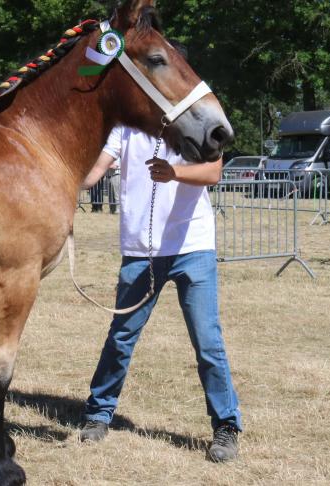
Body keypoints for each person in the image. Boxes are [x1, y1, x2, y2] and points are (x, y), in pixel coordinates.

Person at [78, 124, 242, 463]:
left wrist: (174, 173)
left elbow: (214, 172)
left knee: (207, 342)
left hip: (193, 247)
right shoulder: (125, 126)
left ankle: (226, 426)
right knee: (121, 337)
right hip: (141, 252)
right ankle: (98, 413)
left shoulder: (193, 120)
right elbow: (94, 171)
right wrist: (62, 185)